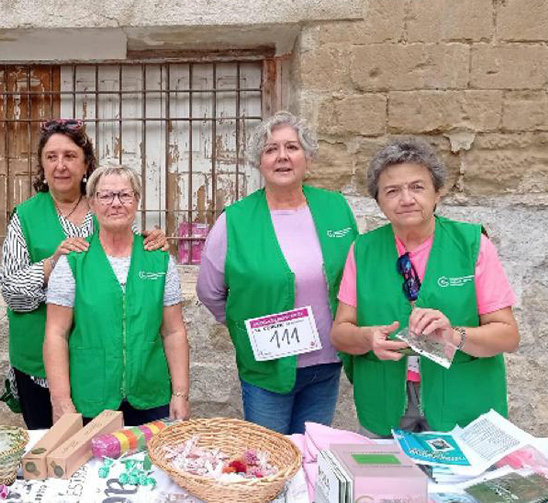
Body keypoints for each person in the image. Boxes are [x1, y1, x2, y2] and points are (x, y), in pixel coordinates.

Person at [331, 139, 519, 437]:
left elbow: (507, 335)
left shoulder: (471, 245)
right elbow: (340, 332)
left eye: (417, 187)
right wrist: (367, 338)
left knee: (461, 482)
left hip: (462, 397)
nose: (406, 199)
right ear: (378, 201)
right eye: (392, 191)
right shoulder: (363, 249)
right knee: (387, 483)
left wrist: (454, 335)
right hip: (385, 399)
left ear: (437, 193)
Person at [0, 119, 166, 430]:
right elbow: (10, 290)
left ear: (86, 163)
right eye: (51, 157)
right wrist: (52, 264)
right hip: (40, 363)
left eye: (70, 156)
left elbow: (128, 259)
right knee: (53, 447)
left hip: (101, 366)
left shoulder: (106, 205)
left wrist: (153, 243)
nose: (61, 166)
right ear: (42, 165)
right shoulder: (26, 216)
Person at [196, 111, 357, 435]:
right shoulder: (235, 220)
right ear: (259, 161)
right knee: (268, 458)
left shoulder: (336, 209)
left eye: (292, 148)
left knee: (310, 452)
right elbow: (209, 290)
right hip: (266, 366)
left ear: (307, 158)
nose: (282, 156)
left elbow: (354, 278)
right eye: (271, 149)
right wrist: (246, 325)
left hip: (327, 362)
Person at [43, 165, 190, 426]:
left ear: (137, 201)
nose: (116, 204)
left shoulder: (159, 260)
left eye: (124, 195)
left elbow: (174, 331)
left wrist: (180, 393)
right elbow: (56, 334)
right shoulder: (73, 262)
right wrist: (60, 399)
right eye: (106, 196)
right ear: (92, 203)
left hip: (151, 396)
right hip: (90, 398)